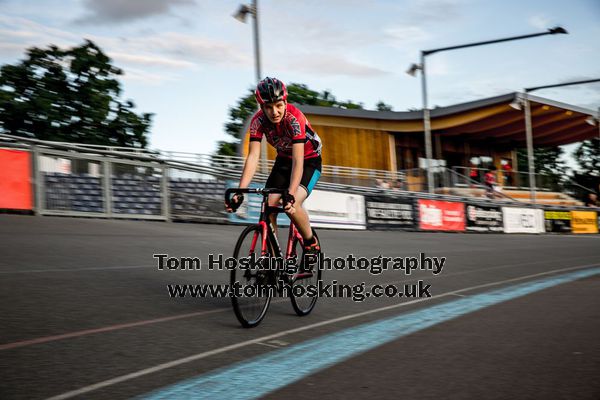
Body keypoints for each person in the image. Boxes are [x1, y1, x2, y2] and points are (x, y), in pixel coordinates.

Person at [226, 77, 323, 256]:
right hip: (283, 160)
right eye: (268, 107)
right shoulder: (258, 122)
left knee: (292, 205)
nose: (275, 111)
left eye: (278, 105)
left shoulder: (295, 119)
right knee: (269, 205)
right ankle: (274, 262)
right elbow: (253, 156)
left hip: (308, 161)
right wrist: (240, 190)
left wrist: (291, 194)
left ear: (285, 101)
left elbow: (298, 161)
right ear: (261, 107)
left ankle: (310, 242)